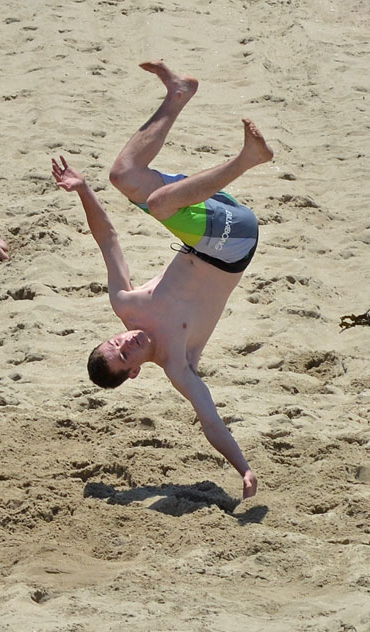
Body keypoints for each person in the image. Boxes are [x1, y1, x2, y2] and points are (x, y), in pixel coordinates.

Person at [52, 60, 274, 499]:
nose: (125, 342)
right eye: (124, 355)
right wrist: (243, 468)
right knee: (157, 204)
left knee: (123, 176)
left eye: (114, 341)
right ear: (134, 373)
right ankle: (249, 159)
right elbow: (209, 418)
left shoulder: (127, 303)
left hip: (211, 216)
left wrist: (82, 190)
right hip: (234, 244)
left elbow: (108, 238)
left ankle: (178, 93)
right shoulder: (178, 363)